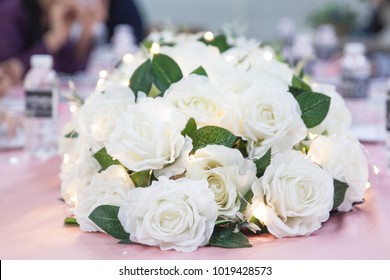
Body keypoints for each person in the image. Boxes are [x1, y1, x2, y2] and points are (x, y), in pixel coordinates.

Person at [0, 0, 144, 96]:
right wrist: (55, 37)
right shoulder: (12, 12)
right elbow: (9, 70)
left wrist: (87, 29)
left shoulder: (55, 13)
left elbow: (71, 67)